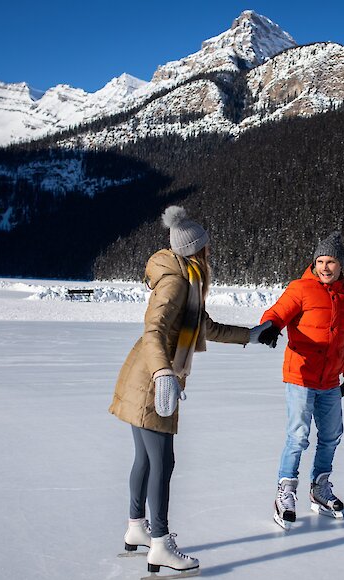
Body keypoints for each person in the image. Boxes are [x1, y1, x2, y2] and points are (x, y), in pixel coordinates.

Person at [109, 205, 271, 574]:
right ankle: (161, 544)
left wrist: (251, 335)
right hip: (153, 379)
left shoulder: (186, 277)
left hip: (146, 374)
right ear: (197, 249)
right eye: (206, 247)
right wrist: (165, 372)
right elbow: (153, 332)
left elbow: (204, 327)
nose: (209, 252)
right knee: (163, 462)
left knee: (148, 460)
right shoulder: (176, 281)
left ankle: (137, 528)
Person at [257, 231, 344, 530]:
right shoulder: (300, 289)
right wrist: (271, 327)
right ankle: (285, 493)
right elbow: (276, 313)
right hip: (300, 376)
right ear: (314, 263)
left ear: (341, 265)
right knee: (298, 436)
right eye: (321, 261)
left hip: (329, 380)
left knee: (331, 435)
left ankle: (319, 488)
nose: (325, 267)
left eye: (331, 261)